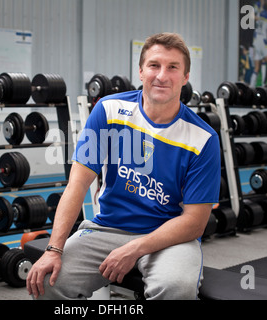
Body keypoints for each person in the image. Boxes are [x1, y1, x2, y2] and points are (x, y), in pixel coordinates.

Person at [26, 32, 221, 300]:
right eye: (154, 65)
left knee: (175, 288)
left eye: (172, 67)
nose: (162, 75)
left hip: (169, 237)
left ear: (186, 77)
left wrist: (136, 248)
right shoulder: (108, 110)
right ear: (141, 72)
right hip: (108, 228)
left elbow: (194, 223)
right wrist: (54, 249)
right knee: (49, 280)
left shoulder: (203, 139)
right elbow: (78, 183)